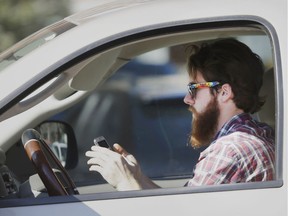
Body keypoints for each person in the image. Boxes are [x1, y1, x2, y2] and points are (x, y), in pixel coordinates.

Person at [85, 38, 275, 190]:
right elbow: (181, 207)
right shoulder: (257, 134)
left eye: (194, 88)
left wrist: (124, 182)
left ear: (224, 92)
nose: (187, 99)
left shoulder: (229, 151)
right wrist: (137, 177)